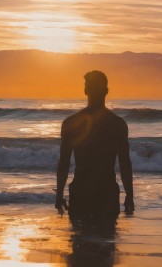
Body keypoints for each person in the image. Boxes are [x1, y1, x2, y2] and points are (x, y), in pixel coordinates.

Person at [55, 70, 134, 218]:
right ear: (106, 91)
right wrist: (129, 195)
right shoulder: (118, 124)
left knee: (80, 238)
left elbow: (64, 163)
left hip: (81, 191)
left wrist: (59, 195)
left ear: (85, 90)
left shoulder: (71, 123)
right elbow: (125, 163)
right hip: (107, 192)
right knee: (106, 237)